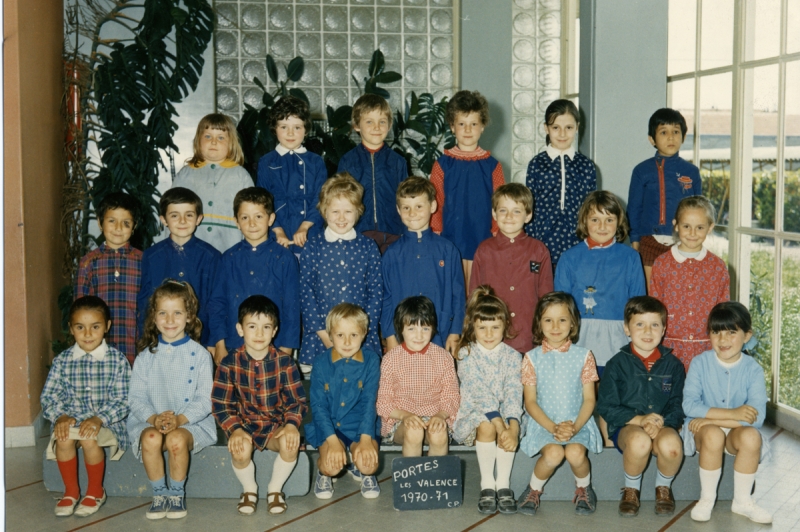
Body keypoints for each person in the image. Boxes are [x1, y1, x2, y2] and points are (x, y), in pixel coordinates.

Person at [211, 295, 308, 516]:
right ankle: (249, 490)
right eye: (252, 326)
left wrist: (291, 425)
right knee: (240, 449)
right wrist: (234, 430)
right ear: (239, 329)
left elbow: (297, 401)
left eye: (266, 327)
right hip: (243, 426)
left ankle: (275, 490)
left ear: (275, 331)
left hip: (276, 426)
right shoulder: (229, 363)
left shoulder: (285, 363)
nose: (259, 334)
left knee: (291, 443)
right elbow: (221, 404)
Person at [128, 280, 217, 519]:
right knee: (150, 437)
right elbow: (136, 398)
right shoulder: (146, 357)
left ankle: (176, 495)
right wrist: (154, 418)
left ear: (189, 316)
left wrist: (180, 419)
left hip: (190, 422)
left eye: (177, 313)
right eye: (163, 313)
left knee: (176, 440)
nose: (169, 320)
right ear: (154, 318)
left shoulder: (200, 355)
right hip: (152, 421)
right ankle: (159, 494)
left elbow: (205, 399)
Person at [682, 302, 771, 524]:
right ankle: (707, 499)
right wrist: (735, 414)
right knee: (713, 433)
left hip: (734, 432)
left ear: (747, 335)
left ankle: (742, 501)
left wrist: (714, 417)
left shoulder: (753, 369)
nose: (723, 340)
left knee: (751, 436)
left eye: (732, 332)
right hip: (704, 432)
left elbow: (757, 418)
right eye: (716, 332)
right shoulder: (699, 363)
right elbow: (690, 406)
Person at [41, 296, 131, 517]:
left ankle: (95, 491)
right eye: (80, 327)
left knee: (88, 436)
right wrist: (60, 416)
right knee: (63, 437)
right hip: (72, 418)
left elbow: (124, 400)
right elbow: (49, 396)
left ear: (107, 327)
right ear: (71, 329)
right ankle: (71, 491)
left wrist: (99, 418)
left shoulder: (117, 361)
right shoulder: (62, 361)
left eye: (95, 327)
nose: (88, 334)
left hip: (107, 422)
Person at [597, 296, 685, 518]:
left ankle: (663, 488)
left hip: (661, 425)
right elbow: (606, 406)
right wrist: (639, 420)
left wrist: (663, 422)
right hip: (627, 427)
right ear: (627, 329)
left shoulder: (674, 365)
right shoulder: (616, 364)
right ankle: (631, 490)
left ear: (664, 329)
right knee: (639, 441)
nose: (648, 331)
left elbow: (677, 403)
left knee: (673, 445)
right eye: (639, 324)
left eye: (655, 325)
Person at [517, 292, 603, 517]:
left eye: (562, 319)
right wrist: (553, 428)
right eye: (548, 320)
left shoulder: (584, 356)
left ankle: (584, 488)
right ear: (539, 323)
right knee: (554, 454)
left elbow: (589, 399)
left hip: (579, 422)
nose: (555, 326)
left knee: (575, 453)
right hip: (544, 424)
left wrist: (574, 426)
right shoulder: (531, 358)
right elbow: (531, 402)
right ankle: (533, 490)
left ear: (573, 322)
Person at [298, 173, 382, 371]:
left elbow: (376, 291)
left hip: (360, 337)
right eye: (335, 211)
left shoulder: (368, 247)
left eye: (348, 211)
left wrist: (361, 332)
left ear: (358, 211)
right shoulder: (313, 246)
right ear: (324, 211)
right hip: (321, 339)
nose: (342, 218)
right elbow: (306, 291)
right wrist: (325, 336)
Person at [555, 191, 646, 373]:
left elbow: (639, 305)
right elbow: (560, 306)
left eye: (609, 220)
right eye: (595, 219)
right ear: (584, 221)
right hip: (580, 337)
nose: (602, 226)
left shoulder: (631, 257)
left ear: (619, 221)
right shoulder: (569, 258)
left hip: (619, 338)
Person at [208, 187, 300, 364]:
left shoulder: (285, 258)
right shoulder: (227, 258)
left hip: (275, 345)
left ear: (271, 219)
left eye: (258, 216)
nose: (252, 223)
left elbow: (292, 308)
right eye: (245, 217)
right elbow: (217, 303)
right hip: (234, 346)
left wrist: (286, 350)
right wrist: (219, 344)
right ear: (236, 221)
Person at [452, 287, 522, 515]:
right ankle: (486, 486)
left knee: (507, 430)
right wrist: (500, 423)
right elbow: (478, 391)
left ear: (505, 327)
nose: (489, 334)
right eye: (482, 327)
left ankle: (503, 484)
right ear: (473, 328)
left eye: (495, 327)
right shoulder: (466, 353)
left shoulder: (513, 356)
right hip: (475, 411)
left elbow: (513, 391)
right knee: (487, 425)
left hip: (505, 413)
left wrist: (513, 425)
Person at [381, 177, 465, 358]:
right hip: (402, 335)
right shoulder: (392, 254)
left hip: (439, 333)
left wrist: (455, 331)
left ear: (433, 206)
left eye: (419, 206)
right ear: (398, 210)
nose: (412, 213)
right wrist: (389, 335)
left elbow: (458, 295)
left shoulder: (447, 249)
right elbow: (386, 298)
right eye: (406, 208)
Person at [307, 303, 381, 500]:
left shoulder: (372, 360)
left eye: (354, 335)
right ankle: (323, 474)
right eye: (340, 335)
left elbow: (369, 401)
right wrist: (332, 441)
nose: (347, 342)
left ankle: (359, 467)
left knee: (369, 465)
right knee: (331, 467)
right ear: (330, 335)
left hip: (359, 426)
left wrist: (365, 439)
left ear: (364, 333)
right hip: (330, 426)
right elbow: (318, 406)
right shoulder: (321, 363)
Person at [430, 90, 504, 287]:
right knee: (455, 287)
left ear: (482, 127)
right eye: (462, 124)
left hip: (483, 235)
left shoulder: (493, 166)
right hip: (451, 236)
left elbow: (500, 202)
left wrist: (497, 231)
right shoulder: (442, 165)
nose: (468, 129)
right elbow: (435, 201)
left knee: (480, 288)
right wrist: (436, 231)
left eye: (473, 124)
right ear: (452, 127)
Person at [470, 183, 553, 353]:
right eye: (503, 210)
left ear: (528, 215)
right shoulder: (484, 250)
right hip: (492, 340)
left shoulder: (539, 250)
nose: (509, 216)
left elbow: (546, 296)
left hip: (528, 338)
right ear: (494, 213)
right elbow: (474, 295)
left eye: (517, 211)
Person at [650, 195, 730, 371]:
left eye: (699, 227)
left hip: (706, 349)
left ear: (710, 227)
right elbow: (654, 307)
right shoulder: (662, 263)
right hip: (669, 347)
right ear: (676, 225)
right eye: (686, 226)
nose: (692, 233)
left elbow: (723, 310)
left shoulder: (717, 266)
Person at [376, 296, 460, 457]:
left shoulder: (443, 357)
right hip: (401, 420)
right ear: (400, 329)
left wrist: (441, 415)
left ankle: (435, 480)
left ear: (433, 329)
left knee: (439, 433)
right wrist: (405, 416)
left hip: (435, 416)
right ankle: (413, 482)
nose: (419, 335)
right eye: (412, 329)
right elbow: (383, 403)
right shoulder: (391, 359)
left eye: (425, 329)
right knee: (414, 430)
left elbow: (451, 396)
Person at [627, 108, 702, 288]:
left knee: (678, 291)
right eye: (663, 132)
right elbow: (634, 208)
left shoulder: (691, 172)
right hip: (649, 241)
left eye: (676, 132)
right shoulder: (641, 170)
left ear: (683, 137)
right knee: (651, 293)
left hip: (682, 242)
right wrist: (635, 240)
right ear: (652, 139)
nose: (670, 137)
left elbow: (699, 210)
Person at [137, 187, 220, 347]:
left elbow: (215, 303)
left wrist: (213, 343)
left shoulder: (211, 256)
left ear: (199, 218)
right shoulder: (151, 256)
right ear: (163, 219)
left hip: (200, 340)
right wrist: (145, 339)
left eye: (189, 215)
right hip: (160, 338)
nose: (182, 221)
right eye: (174, 215)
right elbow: (145, 301)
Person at [524, 99, 597, 269]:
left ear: (577, 127)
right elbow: (529, 206)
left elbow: (591, 207)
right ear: (546, 128)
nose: (562, 134)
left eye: (569, 128)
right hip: (542, 243)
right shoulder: (536, 164)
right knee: (543, 291)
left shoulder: (586, 165)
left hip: (577, 242)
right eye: (556, 128)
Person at [75, 192, 142, 365]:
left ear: (134, 226)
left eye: (126, 223)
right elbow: (80, 312)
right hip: (99, 349)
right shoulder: (88, 263)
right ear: (100, 222)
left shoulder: (144, 261)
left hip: (136, 347)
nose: (118, 228)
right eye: (112, 221)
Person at [337, 93, 409, 253]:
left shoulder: (398, 161)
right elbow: (339, 199)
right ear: (356, 125)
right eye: (369, 122)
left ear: (389, 125)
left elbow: (406, 199)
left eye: (382, 122)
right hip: (359, 233)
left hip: (394, 233)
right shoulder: (347, 161)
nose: (377, 127)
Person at [171, 113, 253, 253]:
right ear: (198, 140)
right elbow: (172, 208)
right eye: (208, 136)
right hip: (192, 243)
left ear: (231, 143)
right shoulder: (185, 174)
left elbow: (251, 210)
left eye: (221, 138)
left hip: (230, 244)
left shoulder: (241, 175)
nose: (214, 142)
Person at [256, 96, 326, 254]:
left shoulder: (316, 162)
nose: (290, 133)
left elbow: (320, 199)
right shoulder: (266, 162)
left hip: (310, 233)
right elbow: (263, 202)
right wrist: (277, 230)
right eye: (283, 127)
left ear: (306, 130)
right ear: (275, 128)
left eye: (297, 127)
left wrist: (305, 226)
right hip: (278, 235)